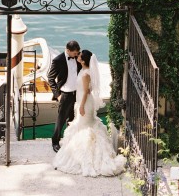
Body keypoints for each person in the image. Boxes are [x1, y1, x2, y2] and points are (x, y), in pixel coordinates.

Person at [52, 48, 126, 177]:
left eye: (80, 55)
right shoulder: (84, 71)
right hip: (83, 101)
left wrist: (81, 106)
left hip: (85, 103)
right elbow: (89, 88)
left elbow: (86, 91)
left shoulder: (86, 74)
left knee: (84, 128)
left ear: (84, 60)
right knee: (83, 126)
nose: (78, 56)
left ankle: (86, 155)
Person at [48, 39, 81, 152]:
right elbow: (50, 78)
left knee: (73, 118)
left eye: (77, 53)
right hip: (65, 94)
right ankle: (55, 141)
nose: (76, 55)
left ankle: (69, 140)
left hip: (77, 93)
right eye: (74, 53)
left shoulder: (77, 57)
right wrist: (57, 95)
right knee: (61, 119)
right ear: (68, 50)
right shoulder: (58, 60)